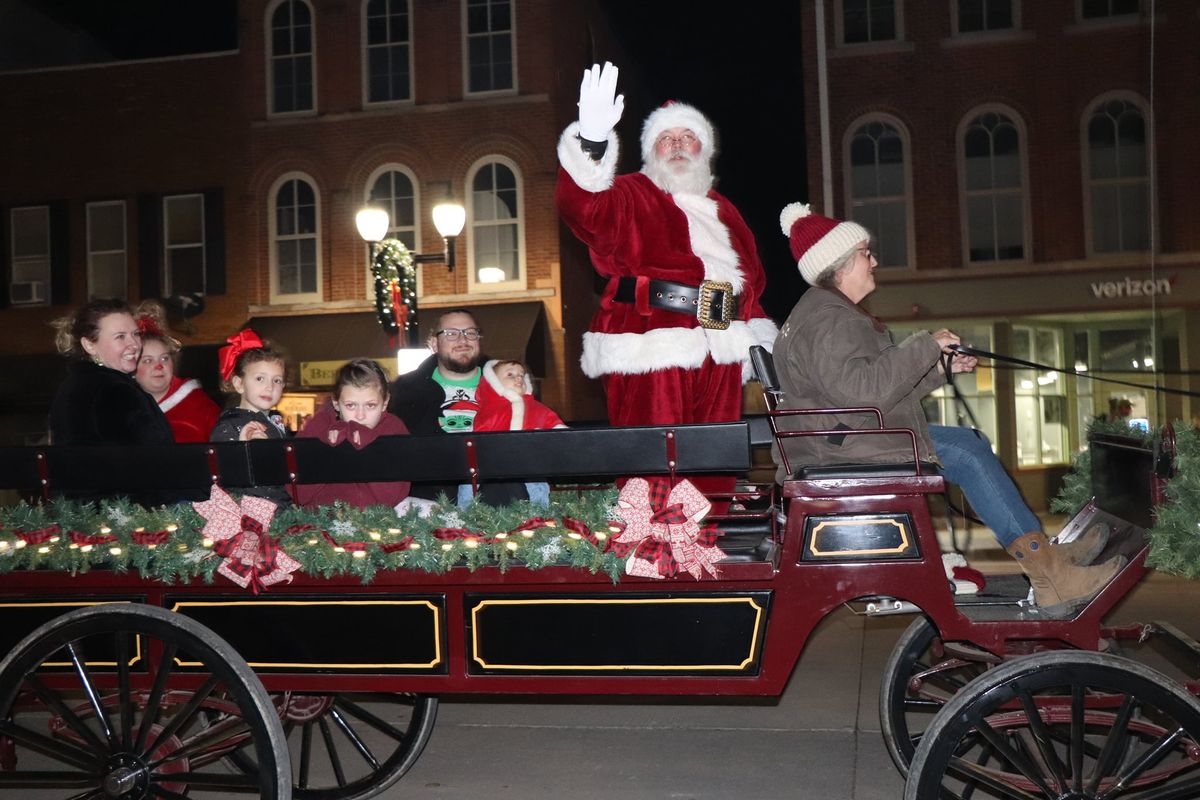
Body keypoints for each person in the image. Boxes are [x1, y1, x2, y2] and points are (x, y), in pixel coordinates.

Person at [772, 203, 1123, 613]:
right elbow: (860, 392)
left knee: (967, 443)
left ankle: (1046, 558)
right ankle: (1050, 573)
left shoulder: (821, 313)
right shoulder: (832, 319)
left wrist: (939, 367)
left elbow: (867, 389)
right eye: (866, 254)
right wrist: (924, 345)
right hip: (847, 447)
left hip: (845, 438)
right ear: (843, 263)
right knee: (969, 452)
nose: (874, 262)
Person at [555, 63, 777, 452]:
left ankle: (706, 518)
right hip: (650, 342)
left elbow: (752, 286)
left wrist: (764, 346)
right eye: (666, 138)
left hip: (721, 349)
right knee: (656, 460)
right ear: (651, 151)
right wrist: (592, 141)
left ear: (703, 150)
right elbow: (585, 210)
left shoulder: (726, 211)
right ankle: (650, 518)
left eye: (687, 136)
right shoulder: (629, 194)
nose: (676, 144)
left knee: (714, 458)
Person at [50, 298, 175, 447]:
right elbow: (157, 458)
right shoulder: (117, 391)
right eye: (120, 337)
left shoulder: (71, 386)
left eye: (136, 334)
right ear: (89, 345)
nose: (134, 344)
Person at [296, 358, 411, 509]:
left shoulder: (393, 429)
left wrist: (368, 447)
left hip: (376, 525)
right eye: (351, 405)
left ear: (385, 403)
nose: (360, 415)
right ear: (336, 403)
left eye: (370, 405)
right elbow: (299, 494)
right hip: (318, 523)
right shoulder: (319, 426)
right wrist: (327, 450)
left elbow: (391, 498)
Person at [459, 359, 566, 507]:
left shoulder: (536, 407)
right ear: (493, 382)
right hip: (489, 469)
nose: (518, 378)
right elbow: (479, 440)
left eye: (522, 375)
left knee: (536, 487)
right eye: (510, 374)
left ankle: (539, 517)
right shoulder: (489, 410)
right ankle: (462, 516)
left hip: (529, 468)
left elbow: (555, 426)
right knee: (469, 482)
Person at [210, 329, 291, 506]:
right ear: (239, 384)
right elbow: (224, 477)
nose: (269, 387)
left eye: (276, 380)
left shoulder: (277, 422)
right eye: (260, 379)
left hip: (283, 509)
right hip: (250, 515)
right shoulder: (230, 426)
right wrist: (243, 448)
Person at [133, 304, 220, 443]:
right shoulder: (123, 410)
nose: (159, 366)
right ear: (132, 368)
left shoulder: (199, 405)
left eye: (164, 358)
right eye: (148, 360)